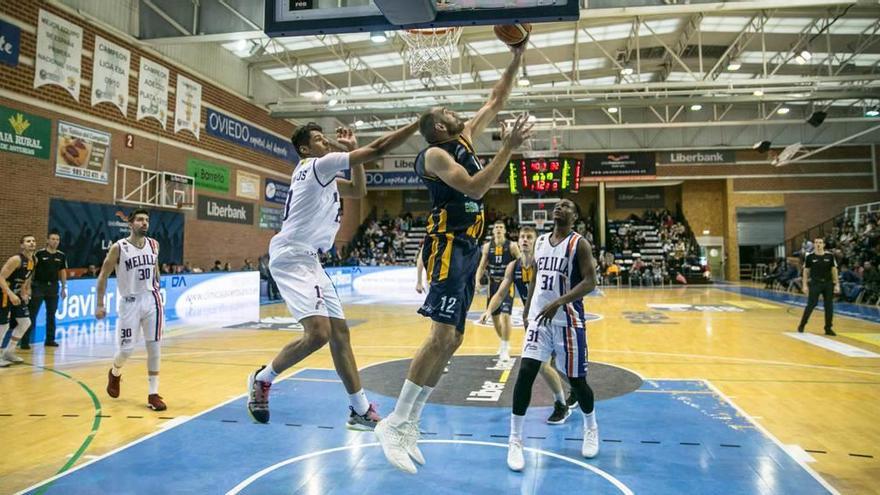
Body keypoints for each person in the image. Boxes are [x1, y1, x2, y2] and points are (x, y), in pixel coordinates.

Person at [374, 40, 531, 474]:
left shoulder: (462, 138)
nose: (454, 111)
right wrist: (508, 149)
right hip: (446, 246)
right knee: (440, 337)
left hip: (467, 248)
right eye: (446, 112)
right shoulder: (435, 154)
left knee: (455, 339)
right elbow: (477, 187)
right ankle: (395, 422)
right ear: (438, 127)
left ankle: (409, 423)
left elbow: (496, 98)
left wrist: (517, 55)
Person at [246, 121, 419, 429]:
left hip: (310, 259)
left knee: (340, 333)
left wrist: (352, 150)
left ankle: (359, 409)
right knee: (319, 333)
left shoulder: (321, 175)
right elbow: (378, 149)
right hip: (292, 256)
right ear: (304, 149)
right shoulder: (317, 166)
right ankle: (262, 379)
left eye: (324, 139)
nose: (325, 142)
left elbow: (359, 189)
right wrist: (418, 123)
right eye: (318, 139)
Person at [506, 199, 599, 471]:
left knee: (577, 382)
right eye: (557, 204)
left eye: (567, 205)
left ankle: (591, 427)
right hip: (539, 320)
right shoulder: (541, 241)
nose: (560, 207)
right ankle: (515, 439)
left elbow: (590, 281)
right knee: (525, 373)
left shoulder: (579, 244)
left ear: (575, 215)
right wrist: (527, 308)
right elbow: (535, 276)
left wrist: (559, 301)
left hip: (567, 320)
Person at [479, 225, 571, 425]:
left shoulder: (544, 262)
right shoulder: (514, 266)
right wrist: (488, 310)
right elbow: (502, 292)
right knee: (542, 365)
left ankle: (573, 391)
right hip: (538, 321)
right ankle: (561, 405)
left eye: (529, 237)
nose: (525, 240)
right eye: (522, 237)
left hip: (559, 317)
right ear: (518, 241)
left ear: (536, 241)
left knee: (561, 365)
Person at [95, 209, 166, 411]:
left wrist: (158, 287)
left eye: (147, 220)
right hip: (129, 302)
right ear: (131, 224)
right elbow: (102, 276)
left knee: (154, 346)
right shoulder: (119, 248)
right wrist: (100, 304)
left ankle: (153, 394)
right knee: (126, 350)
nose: (144, 223)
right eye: (140, 220)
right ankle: (115, 372)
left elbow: (156, 269)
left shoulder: (154, 244)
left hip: (152, 299)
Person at [475, 220, 520, 362]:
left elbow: (521, 263)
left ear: (505, 231)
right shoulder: (488, 247)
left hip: (507, 284)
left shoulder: (512, 246)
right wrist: (477, 281)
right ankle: (504, 342)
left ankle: (505, 347)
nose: (499, 229)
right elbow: (482, 266)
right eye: (496, 227)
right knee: (494, 319)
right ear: (493, 231)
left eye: (501, 227)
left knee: (506, 315)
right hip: (492, 284)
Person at [23, 232, 68, 348]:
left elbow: (62, 272)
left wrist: (64, 287)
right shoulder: (39, 254)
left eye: (57, 239)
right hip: (38, 286)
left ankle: (50, 340)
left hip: (53, 287)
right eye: (53, 239)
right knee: (32, 314)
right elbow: (31, 271)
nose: (55, 241)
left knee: (51, 315)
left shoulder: (61, 255)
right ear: (47, 240)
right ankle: (25, 341)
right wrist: (27, 287)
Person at [0, 235, 37, 367]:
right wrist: (10, 294)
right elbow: (1, 278)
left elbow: (26, 279)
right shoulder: (16, 259)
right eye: (28, 241)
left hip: (16, 294)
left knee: (25, 322)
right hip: (4, 293)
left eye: (33, 241)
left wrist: (24, 292)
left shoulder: (33, 260)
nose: (31, 243)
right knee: (3, 325)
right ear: (22, 245)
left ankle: (8, 352)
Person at [797, 238, 840, 336]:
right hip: (815, 283)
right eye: (816, 243)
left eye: (820, 243)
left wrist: (837, 284)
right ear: (814, 244)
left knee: (829, 306)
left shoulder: (830, 256)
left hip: (828, 284)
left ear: (824, 245)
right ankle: (802, 325)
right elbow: (806, 271)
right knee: (811, 304)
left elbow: (834, 270)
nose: (818, 244)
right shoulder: (810, 257)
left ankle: (828, 328)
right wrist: (804, 285)